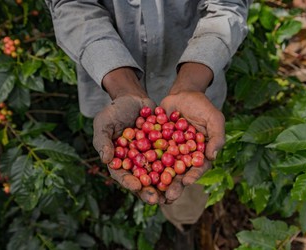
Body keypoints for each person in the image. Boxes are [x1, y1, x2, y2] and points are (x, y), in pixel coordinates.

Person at [45, 0, 249, 248]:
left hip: (199, 84)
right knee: (176, 175)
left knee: (189, 185)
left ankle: (185, 223)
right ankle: (181, 223)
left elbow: (228, 5)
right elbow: (72, 5)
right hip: (112, 82)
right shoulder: (153, 139)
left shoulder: (170, 135)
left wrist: (191, 84)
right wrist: (122, 87)